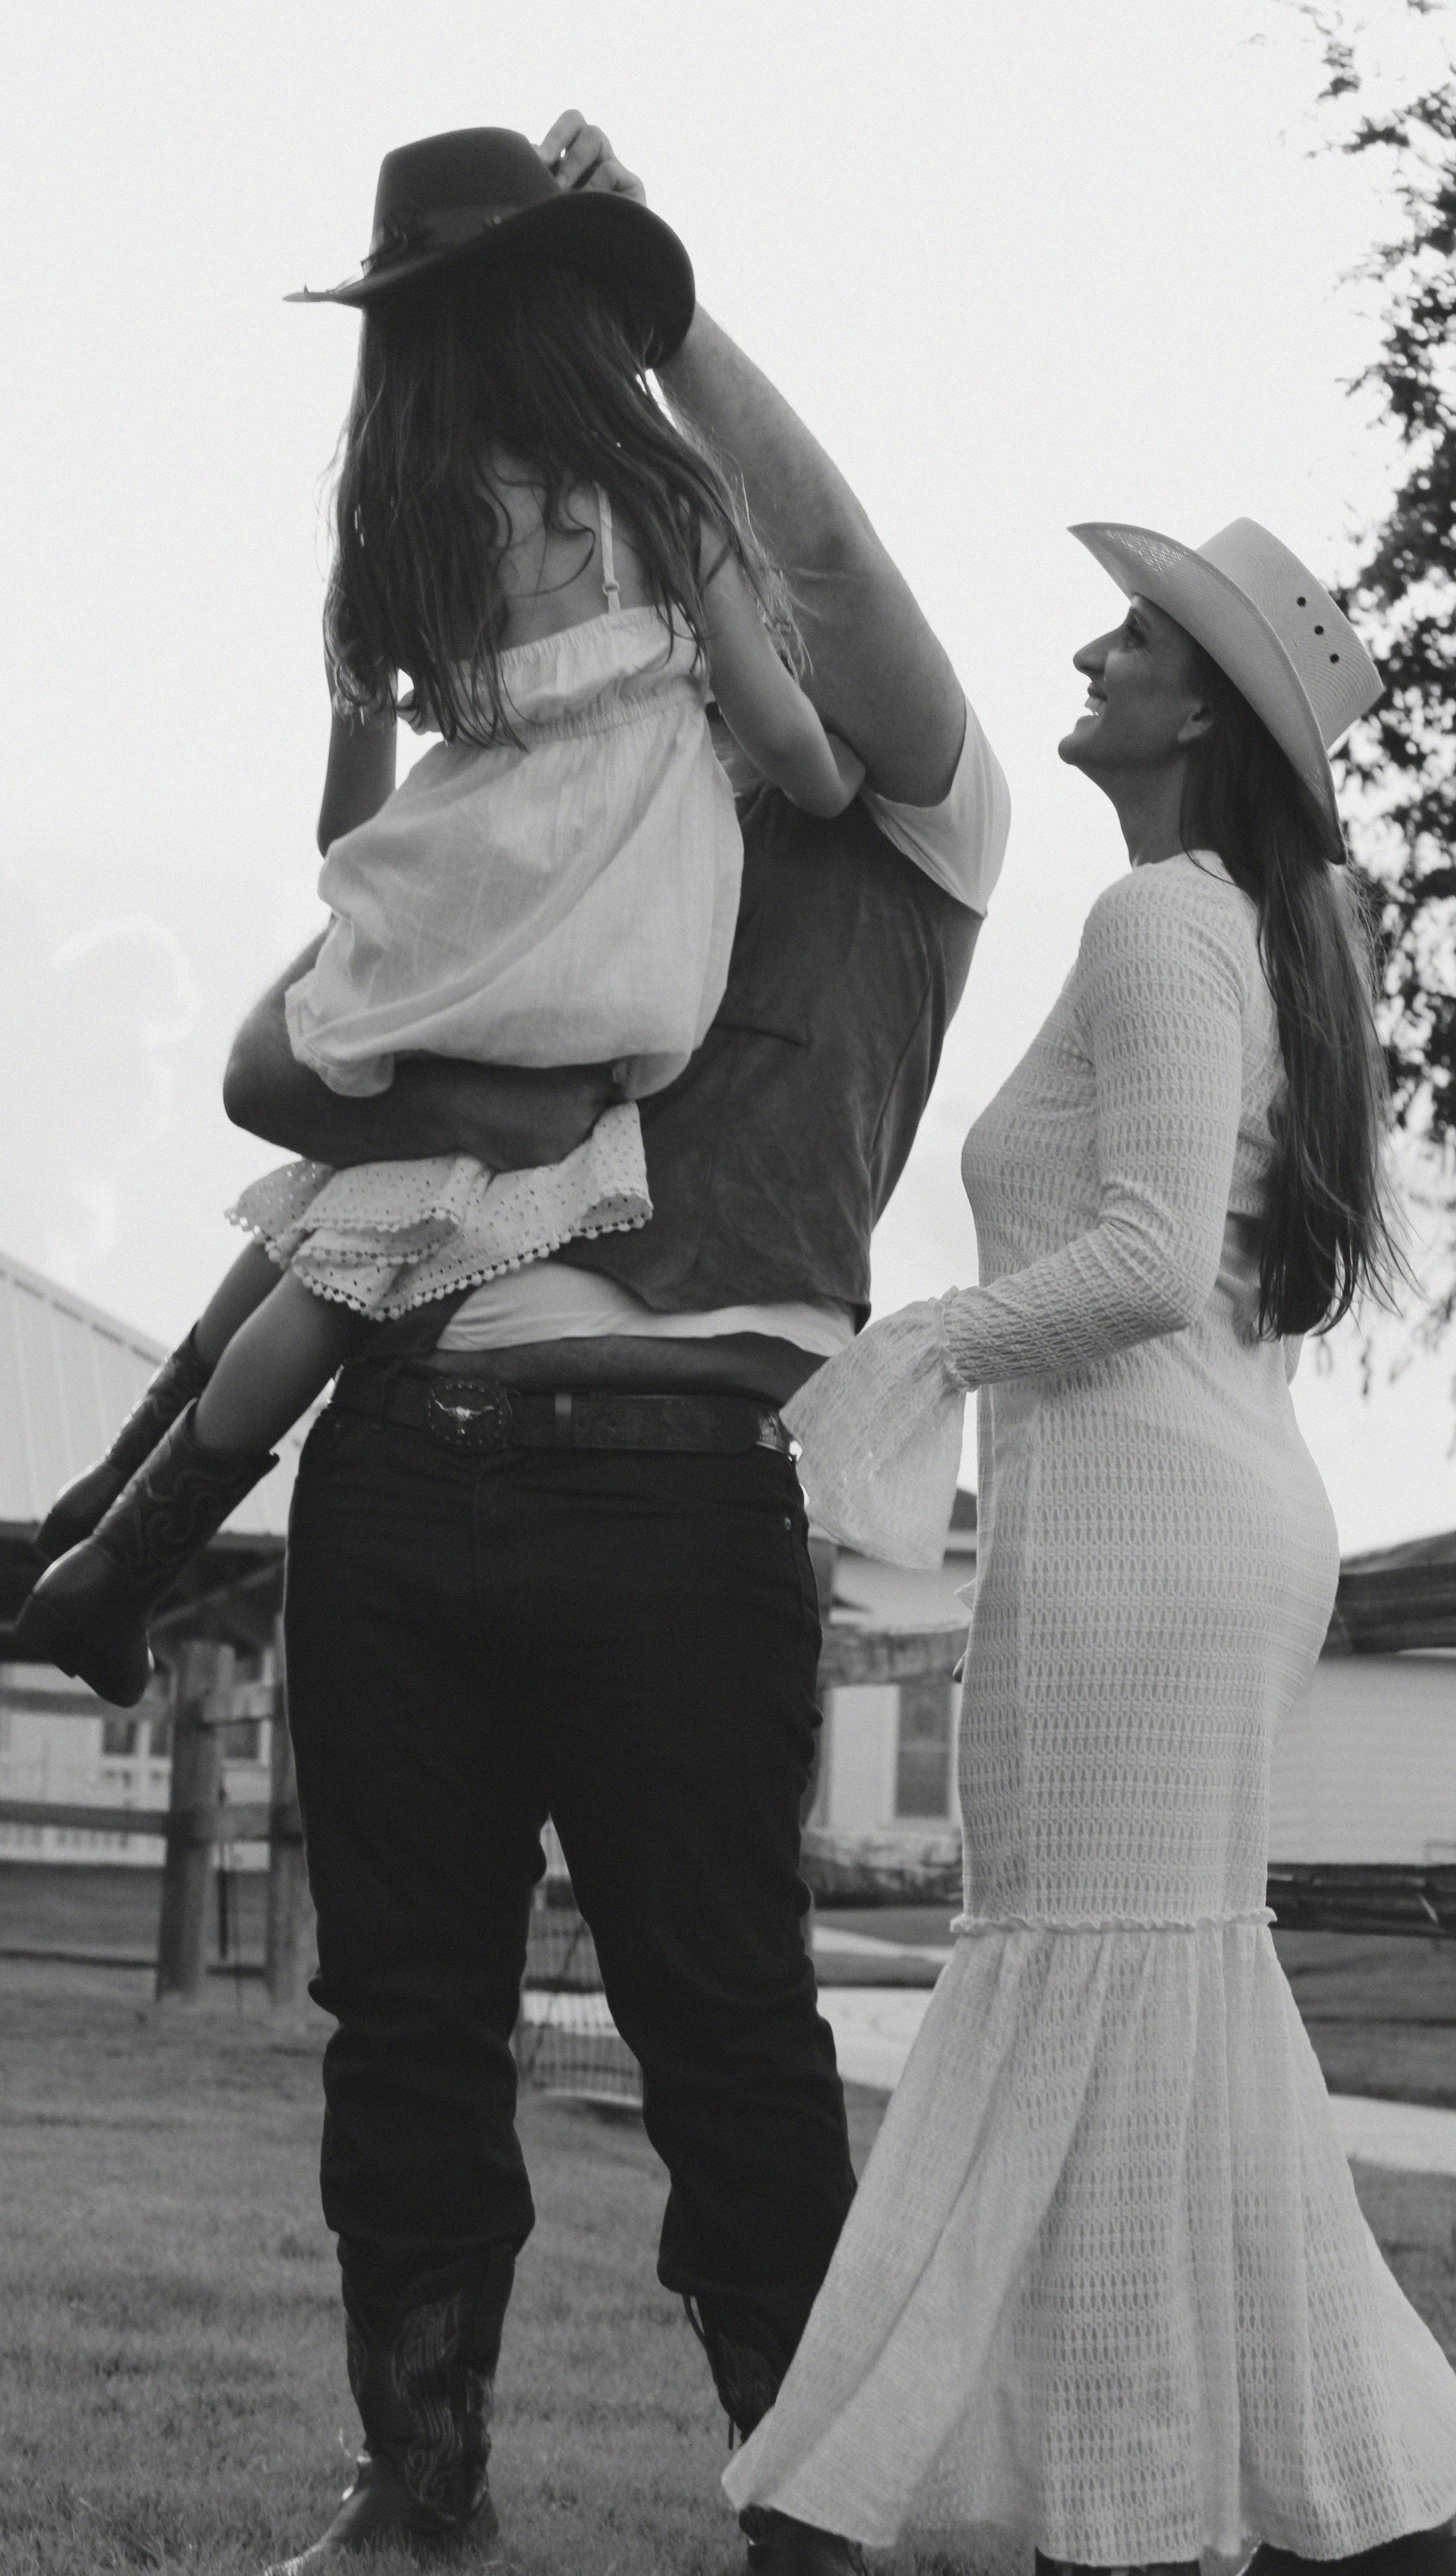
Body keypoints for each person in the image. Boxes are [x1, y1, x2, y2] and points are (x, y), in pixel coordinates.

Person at [217, 115, 1008, 2576]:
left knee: (724, 2020)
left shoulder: (920, 833)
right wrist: (461, 1052)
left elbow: (841, 578)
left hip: (671, 1495)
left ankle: (808, 2494)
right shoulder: (519, 809)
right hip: (402, 1467)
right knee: (405, 2018)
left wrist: (641, 322)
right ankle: (417, 2484)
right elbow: (282, 1042)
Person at [725, 521, 1456, 2575]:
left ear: (1205, 717)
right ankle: (1237, 2520)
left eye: (1139, 639)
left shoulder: (1168, 916)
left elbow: (1154, 1260)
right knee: (1167, 2029)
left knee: (1081, 2001)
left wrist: (917, 1351)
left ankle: (840, 2517)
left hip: (1145, 1540)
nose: (1093, 646)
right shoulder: (1250, 931)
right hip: (1189, 1519)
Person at [8, 125, 861, 1716]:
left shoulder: (402, 527)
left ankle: (97, 1516)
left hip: (436, 926)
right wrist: (821, 766)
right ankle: (114, 1567)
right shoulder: (657, 498)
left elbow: (348, 825)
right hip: (582, 972)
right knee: (356, 1272)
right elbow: (800, 759)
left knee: (336, 1195)